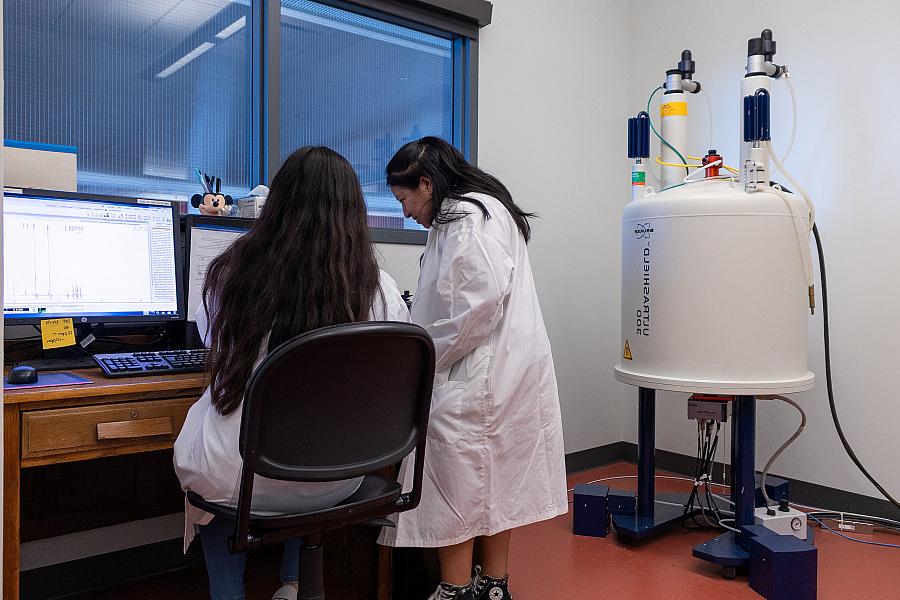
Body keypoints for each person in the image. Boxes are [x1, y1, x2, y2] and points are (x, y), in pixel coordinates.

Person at [173, 146, 410, 600]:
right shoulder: (377, 286)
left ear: (278, 204)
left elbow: (211, 340)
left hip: (243, 478)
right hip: (340, 477)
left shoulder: (233, 271)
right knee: (309, 436)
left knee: (210, 455)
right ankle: (293, 583)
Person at [378, 137, 568, 600]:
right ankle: (493, 585)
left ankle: (457, 587)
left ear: (426, 183)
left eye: (405, 199)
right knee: (492, 479)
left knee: (456, 479)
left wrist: (423, 361)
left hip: (477, 373)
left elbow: (475, 308)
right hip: (499, 368)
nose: (404, 213)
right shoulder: (478, 211)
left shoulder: (465, 217)